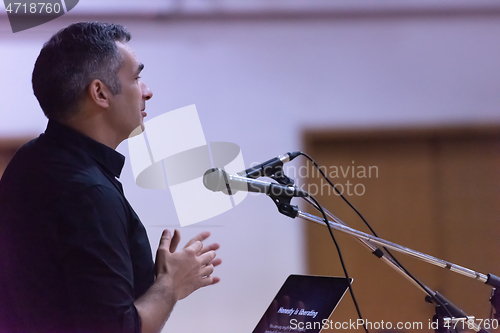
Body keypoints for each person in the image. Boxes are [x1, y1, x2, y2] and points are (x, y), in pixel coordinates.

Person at [0, 22, 221, 333]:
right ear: (100, 93)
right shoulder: (88, 193)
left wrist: (152, 280)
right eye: (137, 77)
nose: (147, 91)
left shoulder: (29, 160)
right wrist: (171, 285)